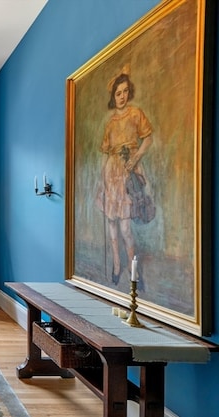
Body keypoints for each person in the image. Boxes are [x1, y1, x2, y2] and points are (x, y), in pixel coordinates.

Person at [96, 65, 153, 287]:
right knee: (111, 220)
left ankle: (132, 267)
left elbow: (147, 139)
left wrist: (136, 157)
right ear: (114, 96)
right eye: (118, 93)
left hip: (128, 171)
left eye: (125, 91)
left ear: (129, 92)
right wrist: (102, 179)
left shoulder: (136, 114)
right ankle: (117, 264)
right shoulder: (110, 123)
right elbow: (104, 153)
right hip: (110, 172)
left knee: (126, 226)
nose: (122, 96)